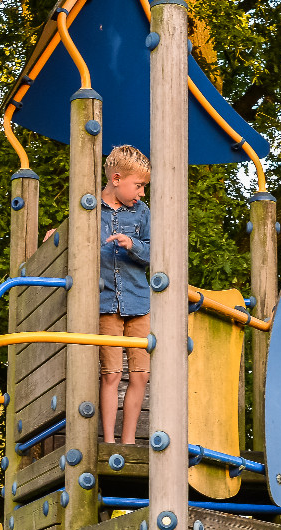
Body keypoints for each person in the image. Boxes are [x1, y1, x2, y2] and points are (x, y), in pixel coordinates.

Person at [98, 145, 152, 444]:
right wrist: (58, 235)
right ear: (117, 178)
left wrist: (134, 245)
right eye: (139, 186)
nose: (142, 193)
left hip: (138, 301)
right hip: (106, 303)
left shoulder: (141, 212)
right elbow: (74, 238)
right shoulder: (90, 206)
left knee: (141, 374)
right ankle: (108, 441)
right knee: (112, 374)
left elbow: (154, 252)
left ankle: (129, 441)